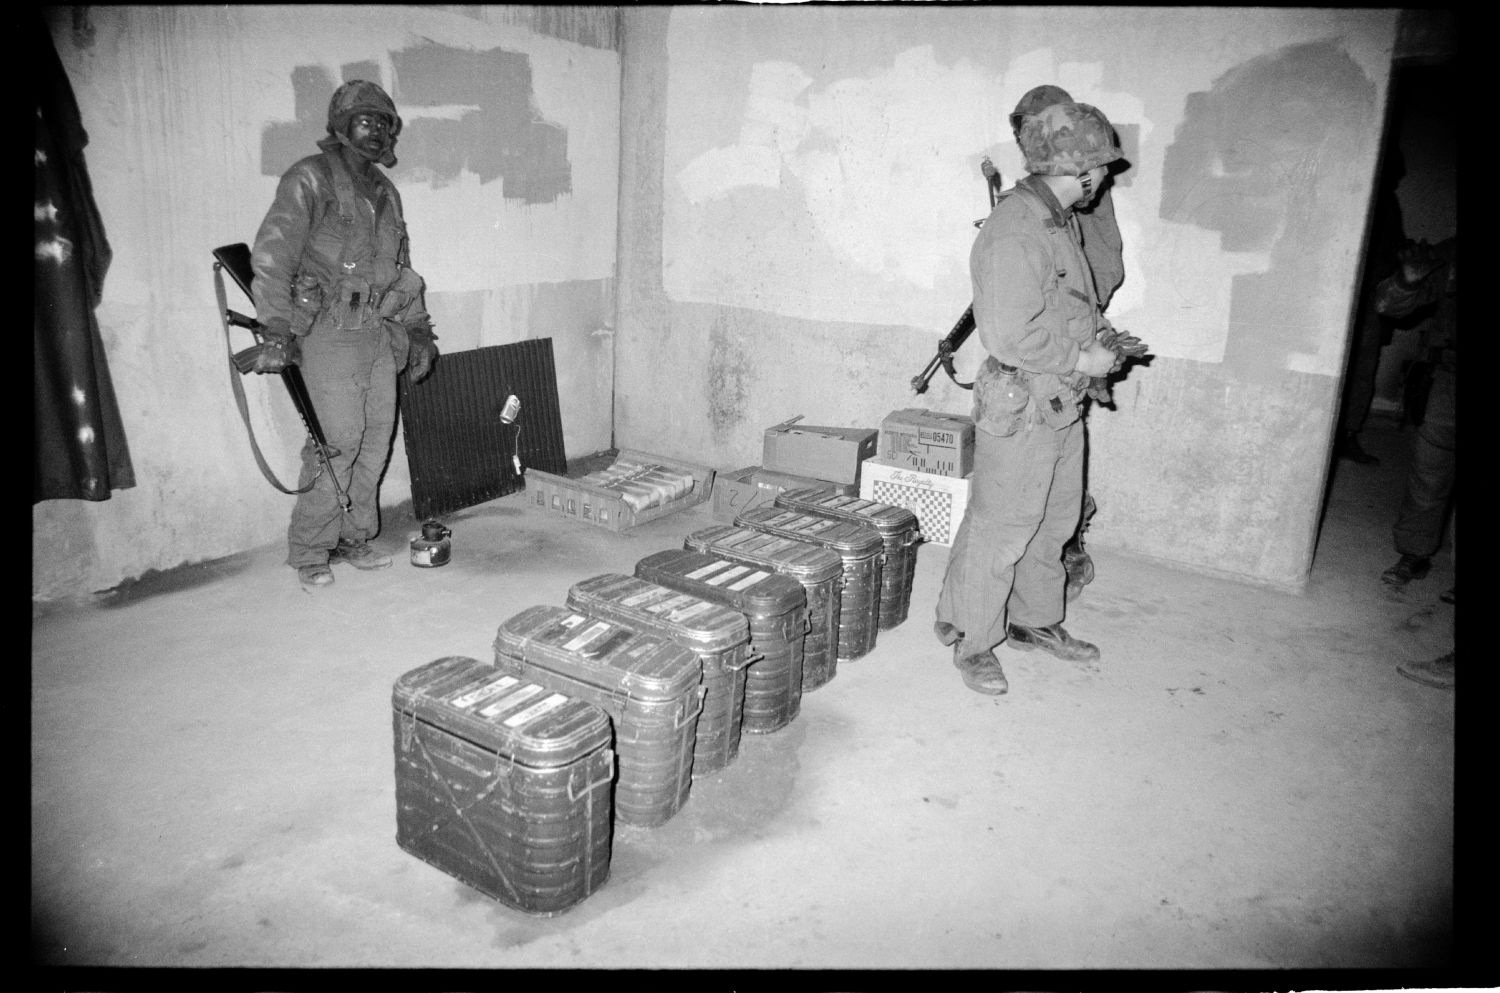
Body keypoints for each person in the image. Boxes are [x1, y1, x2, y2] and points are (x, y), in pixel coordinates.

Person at [934, 101, 1128, 695]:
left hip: (1061, 401)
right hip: (1025, 404)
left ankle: (1035, 622)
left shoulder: (1057, 219)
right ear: (1081, 168)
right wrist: (1081, 358)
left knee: (1054, 519)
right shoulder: (1017, 229)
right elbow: (1008, 334)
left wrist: (1096, 341)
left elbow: (1065, 302)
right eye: (1099, 168)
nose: (1104, 179)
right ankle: (974, 641)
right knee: (1004, 527)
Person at [250, 80, 439, 589]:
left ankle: (354, 536)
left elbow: (401, 267)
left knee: (376, 441)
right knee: (337, 442)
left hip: (379, 329)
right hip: (330, 332)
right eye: (365, 120)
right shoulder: (309, 178)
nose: (376, 130)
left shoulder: (384, 190)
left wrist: (419, 329)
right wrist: (276, 327)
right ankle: (311, 548)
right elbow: (272, 257)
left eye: (384, 122)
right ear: (339, 125)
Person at [1008, 85, 1125, 602]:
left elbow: (1104, 267)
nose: (1028, 140)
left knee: (1061, 464)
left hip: (1070, 340)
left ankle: (1067, 547)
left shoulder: (1082, 187)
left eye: (1036, 128)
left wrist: (1078, 329)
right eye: (1023, 131)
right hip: (1032, 342)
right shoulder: (1030, 195)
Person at [1373, 236, 1455, 593]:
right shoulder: (1452, 252)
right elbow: (1388, 304)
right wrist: (1407, 281)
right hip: (1450, 376)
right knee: (1429, 473)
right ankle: (1414, 553)